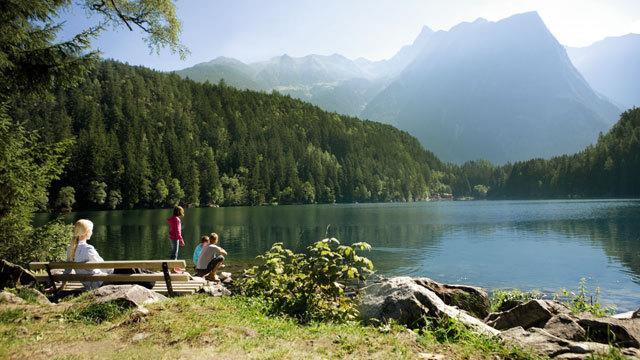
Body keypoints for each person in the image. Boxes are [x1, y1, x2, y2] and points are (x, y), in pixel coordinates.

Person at [64, 219, 113, 290]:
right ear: (87, 232)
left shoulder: (70, 248)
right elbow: (102, 265)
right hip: (99, 282)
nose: (92, 232)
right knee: (128, 270)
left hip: (87, 283)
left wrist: (62, 285)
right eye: (91, 230)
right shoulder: (88, 248)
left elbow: (67, 270)